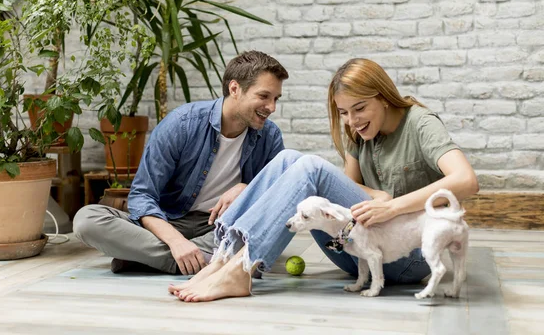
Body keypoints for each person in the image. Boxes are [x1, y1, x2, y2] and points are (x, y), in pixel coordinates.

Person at [170, 58, 479, 302]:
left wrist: (393, 207)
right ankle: (223, 258)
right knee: (290, 159)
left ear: (384, 97)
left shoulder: (420, 123)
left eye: (359, 108)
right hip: (355, 251)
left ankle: (240, 271)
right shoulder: (359, 134)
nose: (352, 121)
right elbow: (347, 194)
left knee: (310, 168)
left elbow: (466, 180)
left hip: (406, 258)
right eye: (344, 112)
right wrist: (375, 195)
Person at [73, 50, 289, 276]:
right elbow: (142, 195)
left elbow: (278, 198)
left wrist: (246, 190)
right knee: (87, 220)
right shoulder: (183, 123)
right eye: (264, 96)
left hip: (222, 227)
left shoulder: (269, 136)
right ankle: (209, 260)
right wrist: (176, 242)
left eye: (275, 99)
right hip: (172, 222)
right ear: (234, 89)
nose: (272, 107)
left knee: (280, 223)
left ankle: (146, 258)